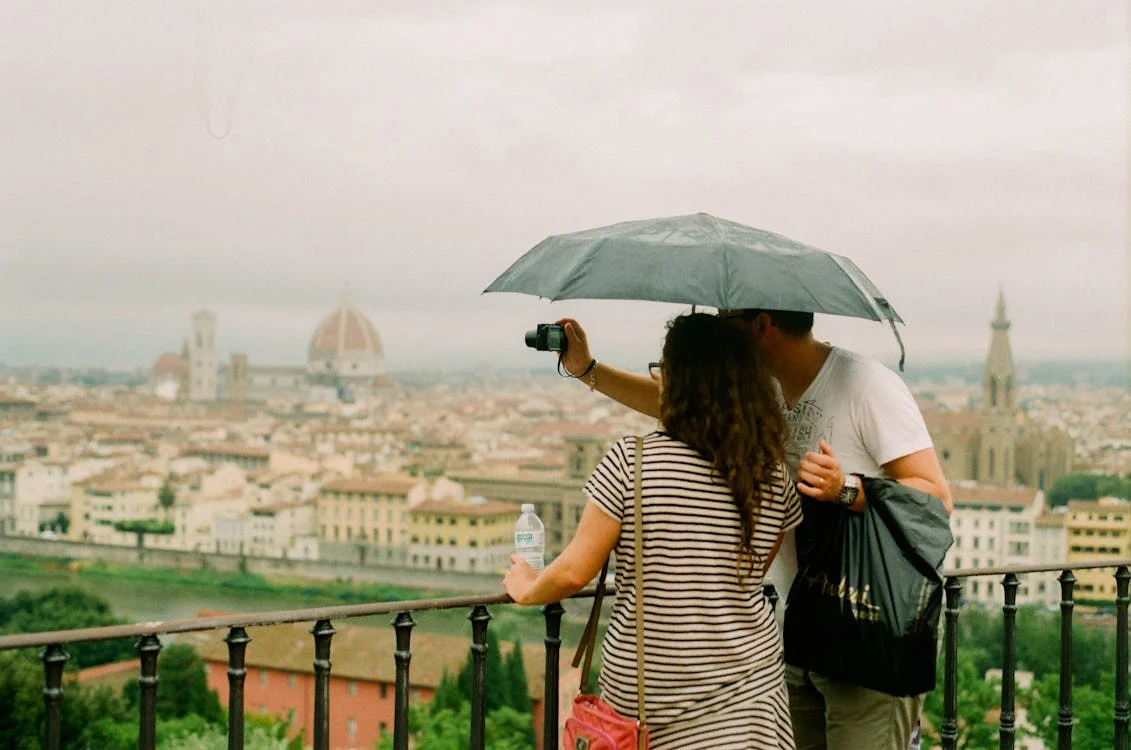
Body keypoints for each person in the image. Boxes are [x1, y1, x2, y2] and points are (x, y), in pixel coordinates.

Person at [549, 309, 953, 750]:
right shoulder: (759, 390)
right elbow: (683, 400)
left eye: (728, 317)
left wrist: (847, 488)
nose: (719, 323)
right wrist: (587, 370)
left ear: (760, 325)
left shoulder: (867, 385)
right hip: (794, 633)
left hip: (866, 631)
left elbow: (936, 498)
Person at [503, 313, 802, 749]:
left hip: (655, 717)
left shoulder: (633, 462)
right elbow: (754, 572)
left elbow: (573, 572)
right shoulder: (773, 475)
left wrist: (526, 588)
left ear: (675, 382)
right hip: (753, 703)